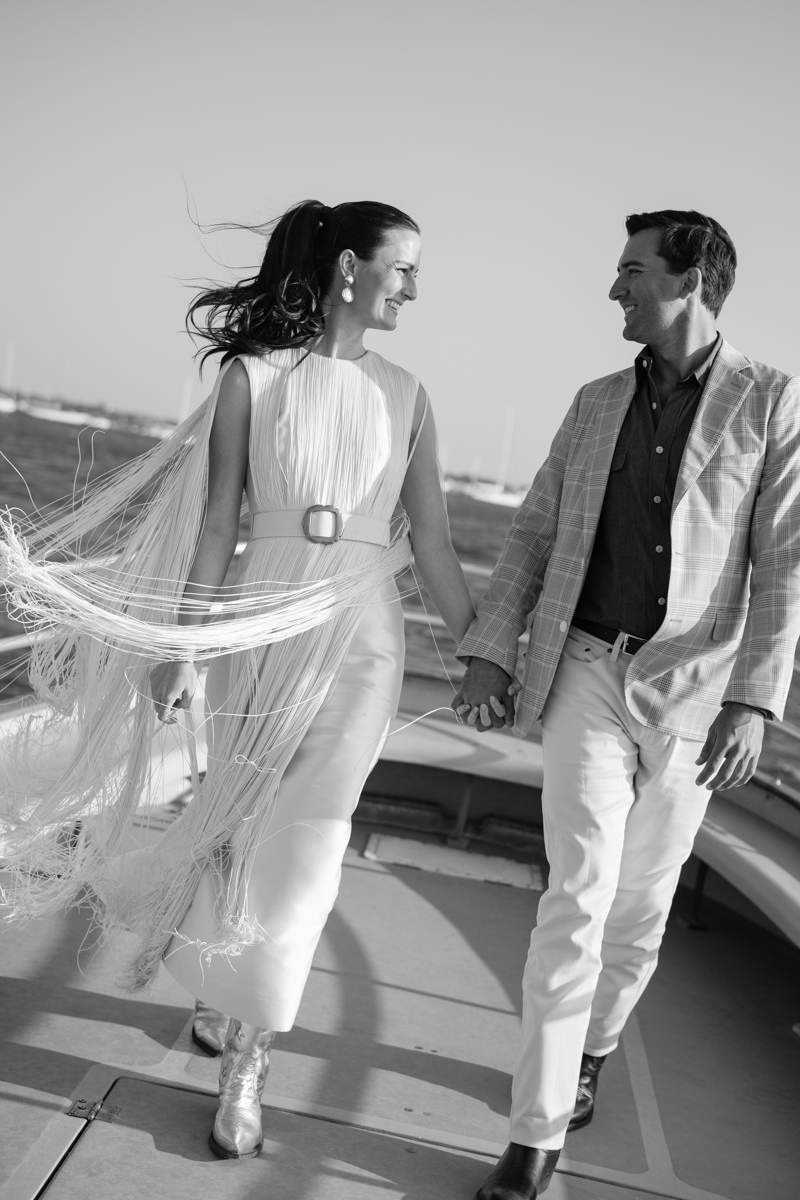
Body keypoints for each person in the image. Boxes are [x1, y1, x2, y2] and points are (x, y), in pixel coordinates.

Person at [0, 199, 476, 1161]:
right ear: (351, 267)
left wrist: (482, 650)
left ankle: (249, 1055)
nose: (416, 289)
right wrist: (180, 646)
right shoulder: (251, 381)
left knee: (310, 846)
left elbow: (432, 541)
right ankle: (228, 994)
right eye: (404, 268)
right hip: (258, 624)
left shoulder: (410, 393)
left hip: (361, 640)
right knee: (239, 825)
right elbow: (219, 524)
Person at [453, 210, 800, 1199]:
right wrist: (488, 651)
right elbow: (529, 536)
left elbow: (780, 569)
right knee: (575, 897)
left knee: (638, 913)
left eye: (631, 271)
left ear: (689, 280)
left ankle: (591, 1047)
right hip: (585, 677)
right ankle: (533, 1141)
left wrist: (752, 705)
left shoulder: (771, 403)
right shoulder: (592, 401)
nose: (613, 288)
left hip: (694, 699)